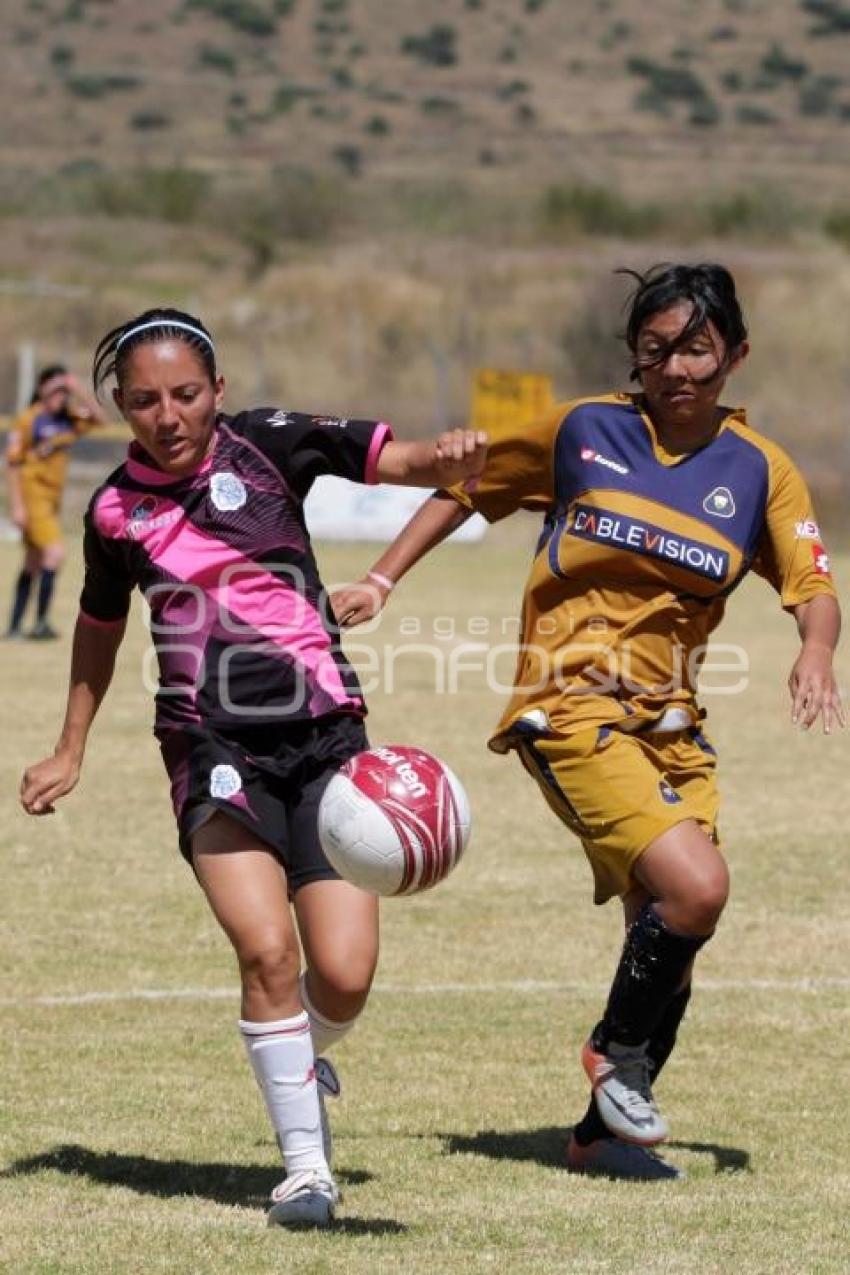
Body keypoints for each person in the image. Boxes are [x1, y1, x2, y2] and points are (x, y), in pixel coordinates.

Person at [331, 263, 844, 1181]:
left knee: (668, 938)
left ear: (735, 354)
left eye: (696, 347)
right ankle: (616, 1058)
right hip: (567, 706)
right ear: (634, 356)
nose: (676, 368)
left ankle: (600, 1136)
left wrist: (815, 651)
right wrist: (379, 576)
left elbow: (813, 584)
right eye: (656, 349)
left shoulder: (761, 470)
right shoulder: (583, 428)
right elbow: (469, 490)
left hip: (674, 726)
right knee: (698, 889)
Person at [19, 307, 487, 1228]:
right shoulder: (116, 509)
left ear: (218, 391)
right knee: (268, 950)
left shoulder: (272, 445)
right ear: (119, 405)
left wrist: (446, 455)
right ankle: (306, 1170)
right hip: (209, 743)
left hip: (326, 738)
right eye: (145, 400)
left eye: (186, 394)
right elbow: (99, 628)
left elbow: (398, 459)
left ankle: (302, 1051)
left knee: (343, 975)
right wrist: (70, 744)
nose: (167, 415)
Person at [5, 364, 107, 639]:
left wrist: (77, 389)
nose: (60, 396)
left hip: (52, 499)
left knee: (33, 560)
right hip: (32, 495)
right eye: (55, 390)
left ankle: (15, 627)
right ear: (42, 389)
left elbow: (100, 420)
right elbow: (12, 465)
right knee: (55, 553)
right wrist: (16, 506)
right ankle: (39, 623)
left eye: (64, 391)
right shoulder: (29, 419)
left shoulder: (68, 418)